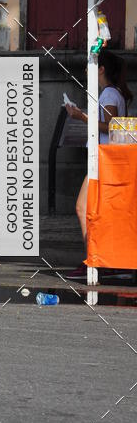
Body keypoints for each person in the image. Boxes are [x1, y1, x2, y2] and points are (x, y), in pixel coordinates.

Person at [65, 49, 132, 279]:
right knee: (99, 211)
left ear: (101, 69)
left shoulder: (109, 94)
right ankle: (104, 260)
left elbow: (111, 126)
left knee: (83, 207)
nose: (86, 70)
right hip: (106, 160)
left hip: (103, 160)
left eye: (90, 65)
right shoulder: (112, 93)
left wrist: (81, 117)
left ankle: (93, 259)